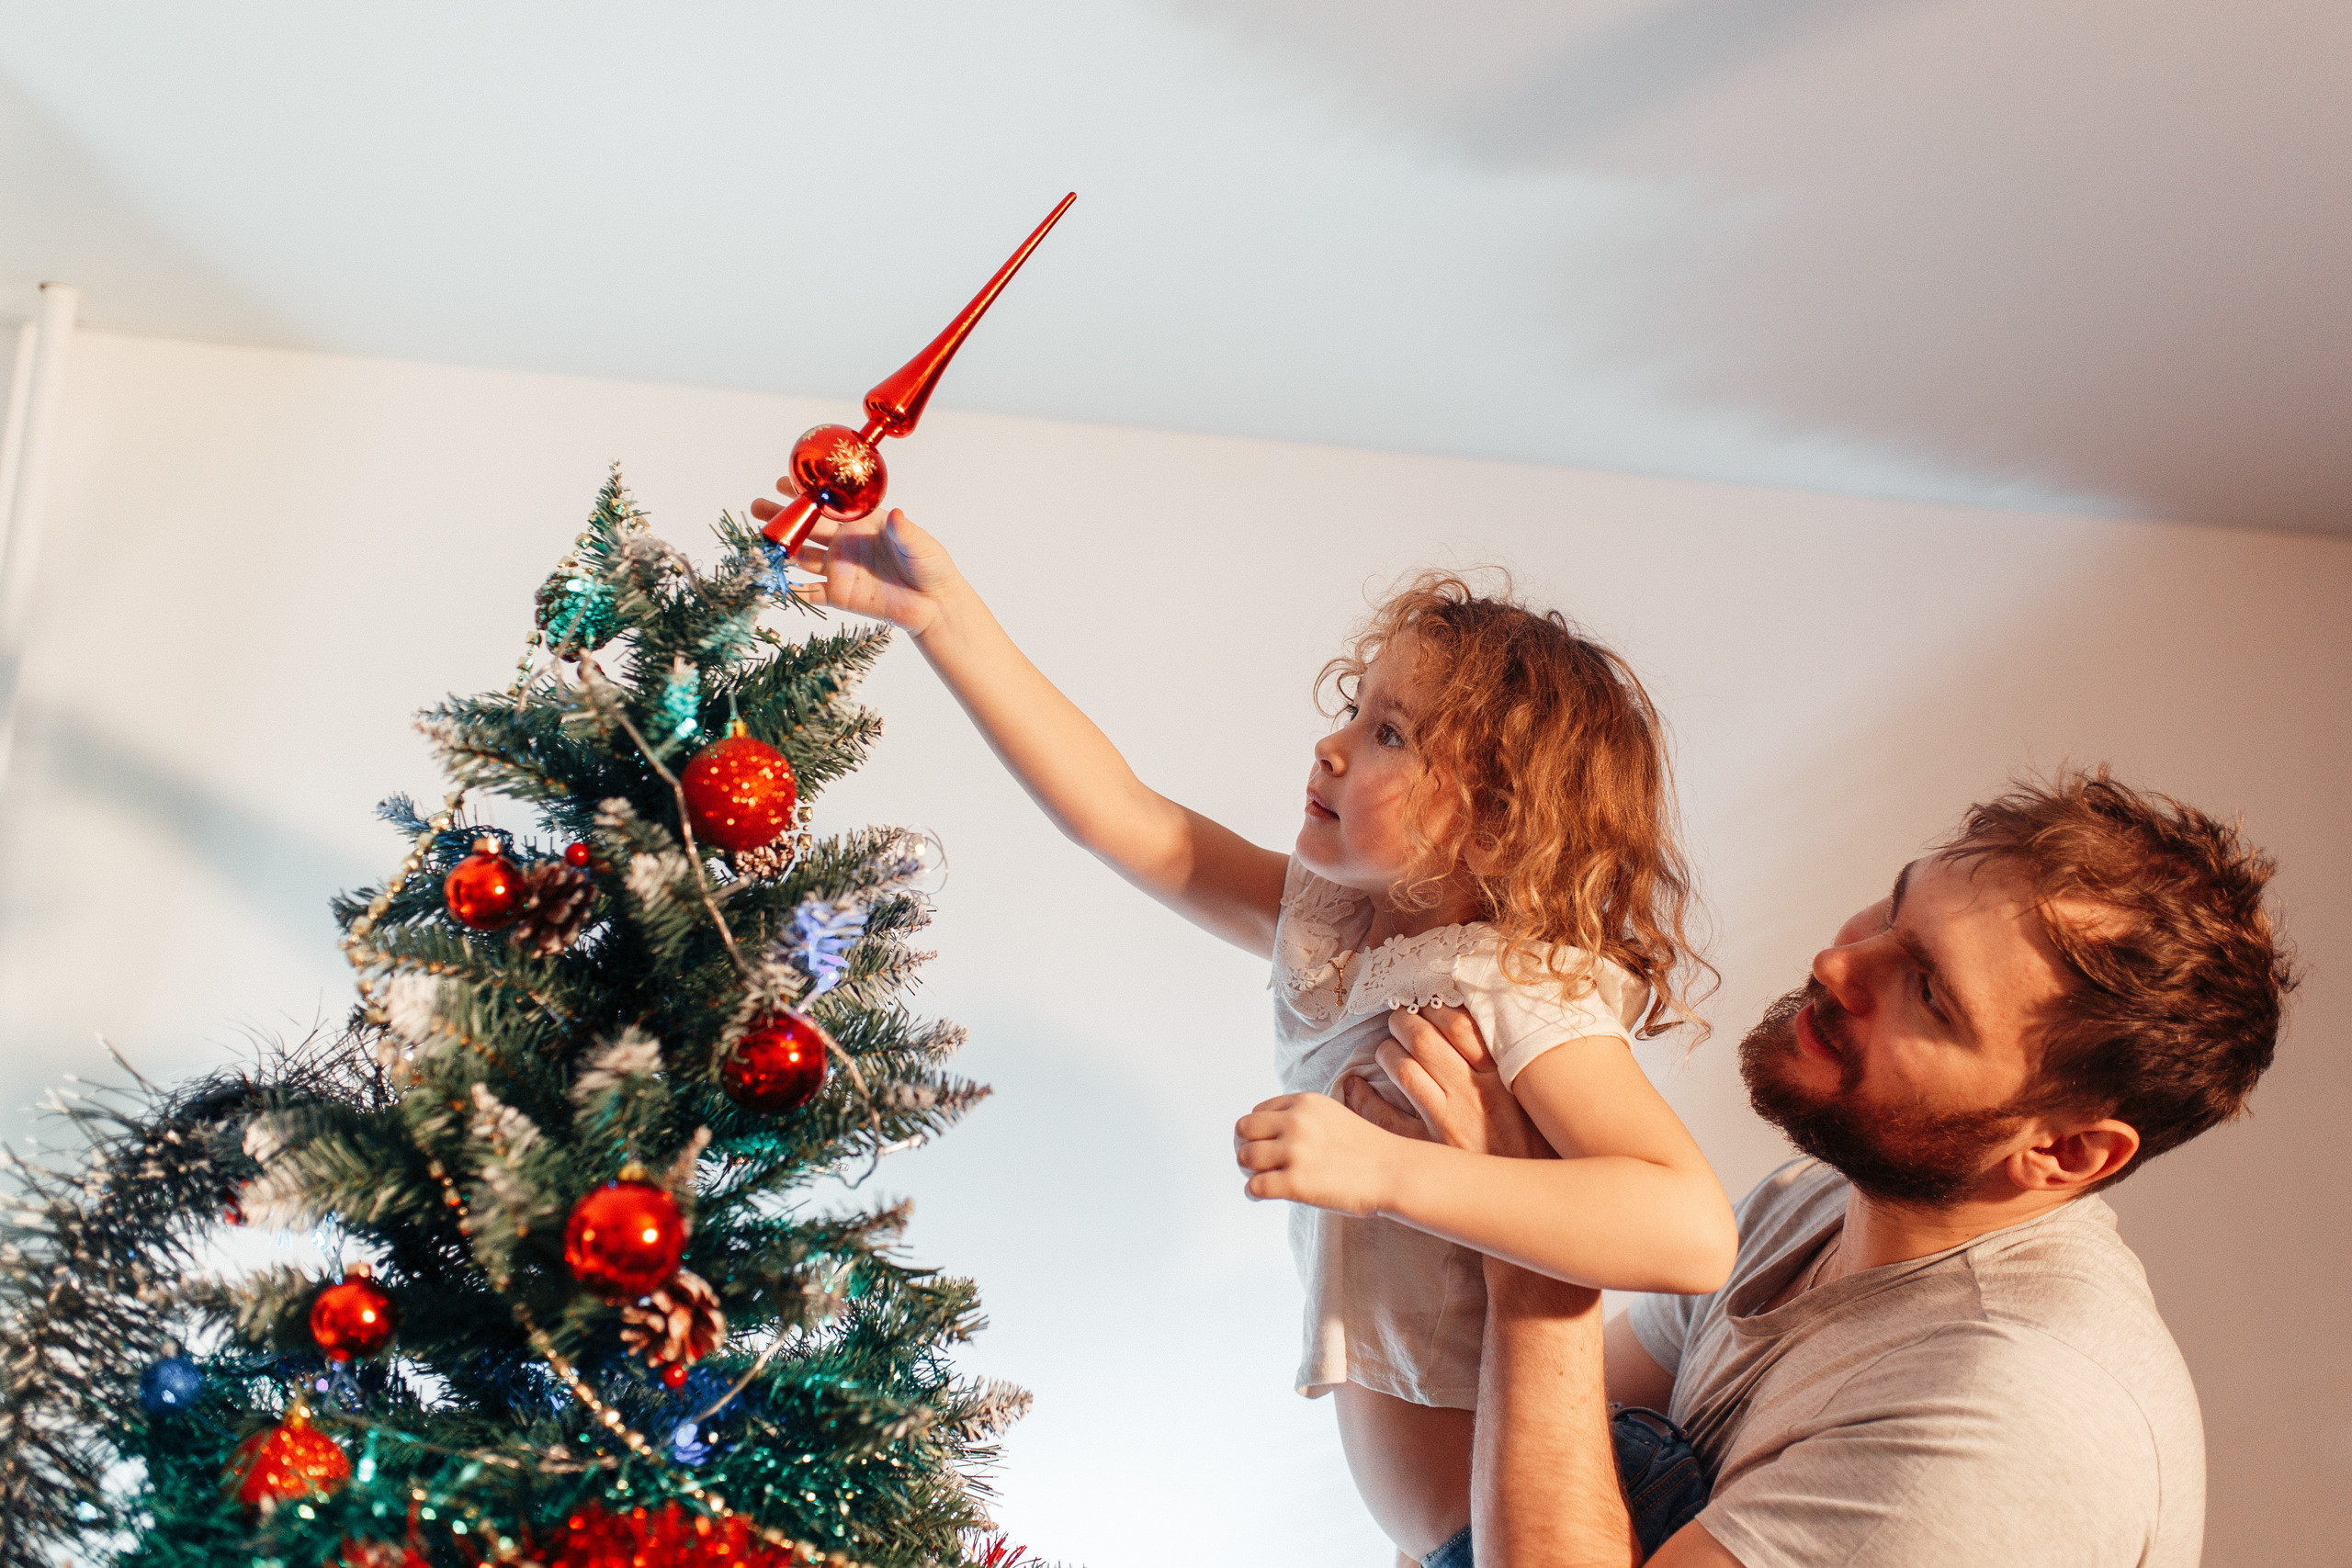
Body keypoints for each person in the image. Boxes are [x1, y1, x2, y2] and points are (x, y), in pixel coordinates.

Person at [761, 496, 1736, 1561]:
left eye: (1389, 734)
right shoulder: (1342, 936)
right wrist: (942, 618)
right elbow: (1123, 819)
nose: (1332, 745)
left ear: (1498, 825)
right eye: (1357, 711)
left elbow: (1687, 1231)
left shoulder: (1509, 985)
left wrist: (1382, 1171)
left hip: (1578, 1515)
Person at [1238, 769, 2292, 1565]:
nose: (1841, 961)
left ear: (2062, 1152)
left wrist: (1529, 1267)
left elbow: (1535, 1372)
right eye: (1893, 907)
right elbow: (1497, 1465)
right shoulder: (1812, 1210)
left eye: (1926, 989)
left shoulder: (2016, 1409)